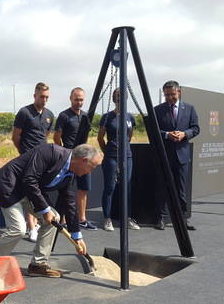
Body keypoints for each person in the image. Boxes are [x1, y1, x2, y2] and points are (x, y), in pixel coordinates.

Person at [0, 144, 101, 278]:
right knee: (18, 229)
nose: (90, 172)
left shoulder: (70, 172)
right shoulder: (50, 152)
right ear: (83, 160)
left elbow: (69, 201)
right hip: (9, 186)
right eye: (92, 167)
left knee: (54, 219)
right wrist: (45, 209)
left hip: (28, 192)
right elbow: (29, 179)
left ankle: (38, 265)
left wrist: (77, 236)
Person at [153, 80, 200, 231]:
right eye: (166, 95)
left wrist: (184, 134)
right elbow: (152, 131)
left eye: (172, 94)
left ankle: (183, 219)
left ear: (179, 92)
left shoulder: (190, 109)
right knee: (162, 187)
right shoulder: (157, 110)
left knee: (181, 189)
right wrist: (167, 135)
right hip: (164, 155)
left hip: (182, 154)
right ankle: (161, 218)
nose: (169, 98)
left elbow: (196, 128)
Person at [12, 82, 54, 242]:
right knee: (29, 193)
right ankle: (31, 228)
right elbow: (16, 137)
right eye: (41, 96)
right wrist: (24, 154)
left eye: (47, 97)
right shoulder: (24, 112)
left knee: (40, 193)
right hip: (27, 159)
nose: (44, 100)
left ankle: (37, 224)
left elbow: (46, 135)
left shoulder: (50, 114)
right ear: (35, 95)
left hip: (43, 161)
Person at [97, 88, 140, 232]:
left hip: (127, 156)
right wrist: (108, 151)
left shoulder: (129, 117)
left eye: (122, 96)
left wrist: (124, 148)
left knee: (126, 188)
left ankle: (127, 218)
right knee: (110, 187)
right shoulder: (107, 117)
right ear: (113, 99)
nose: (119, 99)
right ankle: (107, 219)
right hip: (111, 157)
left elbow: (129, 136)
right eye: (117, 96)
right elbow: (100, 138)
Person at [53, 87, 96, 230]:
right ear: (71, 98)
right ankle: (63, 220)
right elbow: (56, 137)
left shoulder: (85, 116)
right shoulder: (64, 115)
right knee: (67, 189)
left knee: (84, 188)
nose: (79, 102)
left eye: (81, 99)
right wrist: (64, 153)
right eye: (76, 99)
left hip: (84, 158)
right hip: (70, 158)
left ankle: (82, 219)